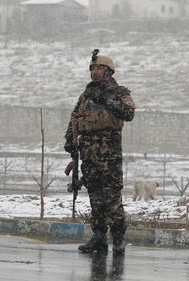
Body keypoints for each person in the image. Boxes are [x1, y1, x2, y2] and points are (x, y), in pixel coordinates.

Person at [64, 49, 135, 255]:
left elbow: (128, 113)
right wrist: (70, 140)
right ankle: (99, 238)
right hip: (88, 153)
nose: (95, 72)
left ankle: (119, 238)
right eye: (93, 68)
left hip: (109, 154)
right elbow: (75, 117)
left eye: (99, 68)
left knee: (112, 197)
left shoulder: (119, 92)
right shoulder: (86, 95)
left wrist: (105, 100)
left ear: (109, 71)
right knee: (95, 196)